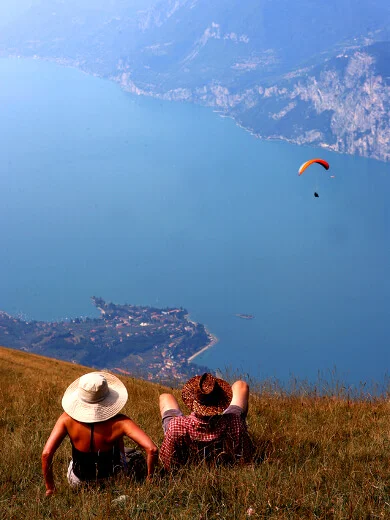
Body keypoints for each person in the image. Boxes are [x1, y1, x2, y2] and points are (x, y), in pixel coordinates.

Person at [42, 371, 158, 495]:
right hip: (112, 480)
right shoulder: (121, 422)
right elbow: (152, 449)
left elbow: (46, 454)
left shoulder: (66, 419)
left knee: (75, 460)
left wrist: (50, 488)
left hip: (78, 482)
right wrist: (150, 479)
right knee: (136, 455)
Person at [159, 373, 254, 470]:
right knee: (241, 385)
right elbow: (246, 458)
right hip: (225, 428)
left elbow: (167, 461)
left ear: (194, 401)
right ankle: (244, 428)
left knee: (165, 397)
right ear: (220, 402)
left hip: (184, 433)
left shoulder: (177, 425)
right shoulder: (234, 422)